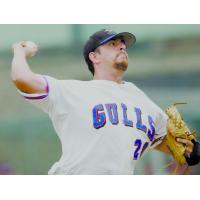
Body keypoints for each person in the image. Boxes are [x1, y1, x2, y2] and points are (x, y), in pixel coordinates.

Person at [11, 29, 198, 174]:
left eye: (123, 44)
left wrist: (191, 150)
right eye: (113, 44)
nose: (122, 47)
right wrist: (19, 52)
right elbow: (22, 78)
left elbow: (173, 145)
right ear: (94, 56)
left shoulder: (145, 103)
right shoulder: (71, 91)